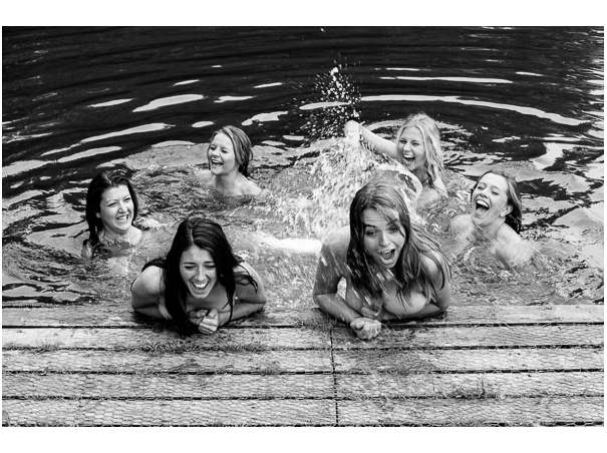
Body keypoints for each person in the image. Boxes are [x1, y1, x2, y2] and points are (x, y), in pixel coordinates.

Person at [313, 179, 452, 340]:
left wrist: (387, 316)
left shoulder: (429, 263)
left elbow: (442, 305)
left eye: (393, 228)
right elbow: (322, 293)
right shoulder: (338, 247)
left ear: (405, 226)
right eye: (371, 232)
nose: (384, 242)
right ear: (358, 234)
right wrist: (356, 318)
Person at [131, 216, 266, 334]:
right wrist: (181, 317)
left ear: (221, 264)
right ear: (177, 263)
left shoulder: (240, 276)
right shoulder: (153, 281)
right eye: (189, 267)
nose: (200, 277)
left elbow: (258, 302)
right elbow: (139, 307)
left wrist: (223, 318)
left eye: (210, 266)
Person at [345, 113, 446, 210]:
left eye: (415, 144)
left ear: (429, 149)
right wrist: (353, 147)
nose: (406, 148)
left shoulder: (434, 190)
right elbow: (354, 126)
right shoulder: (398, 153)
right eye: (403, 141)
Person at [450, 170, 533, 267]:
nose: (483, 193)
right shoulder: (459, 224)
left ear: (505, 209)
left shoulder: (512, 249)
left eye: (494, 192)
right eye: (480, 187)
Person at [82, 170, 143, 259]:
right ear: (97, 212)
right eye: (113, 204)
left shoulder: (153, 231)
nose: (123, 209)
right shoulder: (91, 253)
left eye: (127, 200)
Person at [199, 125, 262, 196]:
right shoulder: (203, 178)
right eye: (212, 148)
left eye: (224, 151)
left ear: (240, 158)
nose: (214, 153)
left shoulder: (251, 191)